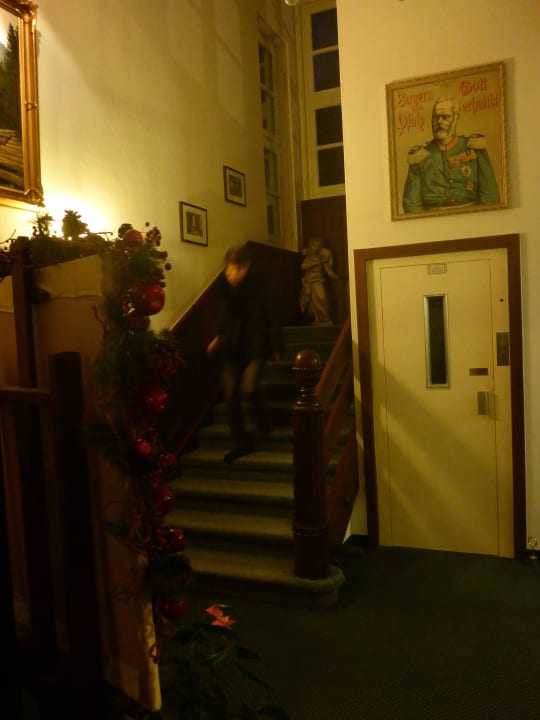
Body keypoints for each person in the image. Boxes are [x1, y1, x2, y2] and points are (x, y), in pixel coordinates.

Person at [207, 244, 279, 463]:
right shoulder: (222, 286)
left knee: (249, 388)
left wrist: (276, 346)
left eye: (238, 269)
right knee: (231, 395)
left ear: (247, 267)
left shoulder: (260, 284)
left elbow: (271, 316)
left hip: (255, 345)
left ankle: (264, 421)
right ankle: (239, 442)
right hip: (230, 346)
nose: (233, 275)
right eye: (230, 269)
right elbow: (221, 314)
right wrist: (217, 336)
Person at [402, 97, 500, 214]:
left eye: (445, 117)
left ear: (456, 118)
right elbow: (411, 204)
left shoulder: (474, 147)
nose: (439, 122)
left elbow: (490, 196)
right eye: (435, 118)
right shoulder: (420, 156)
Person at [299, 236, 338, 325]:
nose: (315, 248)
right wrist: (318, 263)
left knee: (322, 298)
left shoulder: (321, 258)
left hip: (318, 281)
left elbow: (329, 271)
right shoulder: (308, 259)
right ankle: (317, 319)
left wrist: (337, 277)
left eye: (317, 246)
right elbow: (303, 267)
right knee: (312, 302)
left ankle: (326, 318)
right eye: (313, 246)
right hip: (309, 282)